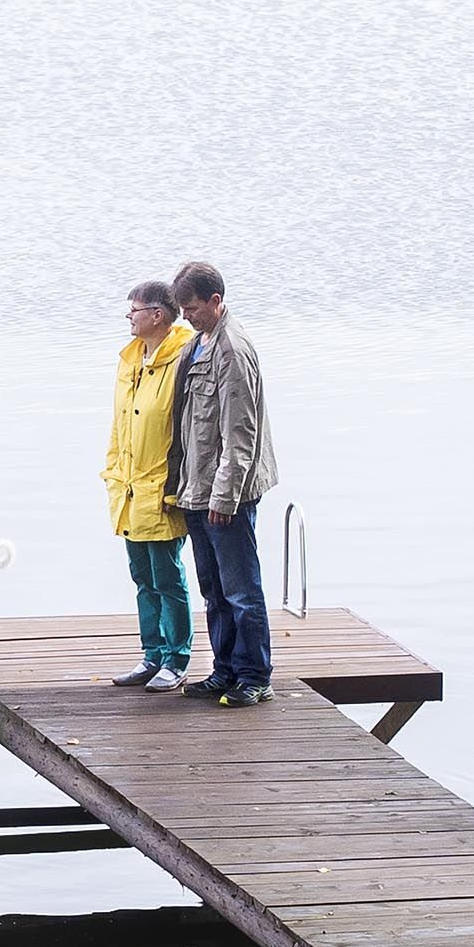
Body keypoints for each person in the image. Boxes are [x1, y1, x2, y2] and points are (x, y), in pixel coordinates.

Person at [171, 256, 276, 705]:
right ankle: (225, 670)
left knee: (241, 591)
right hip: (197, 489)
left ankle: (255, 676)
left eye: (192, 308)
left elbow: (241, 432)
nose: (186, 317)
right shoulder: (199, 343)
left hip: (225, 494)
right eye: (182, 310)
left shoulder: (232, 350)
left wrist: (225, 497)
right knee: (213, 589)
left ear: (215, 300)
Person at [101, 276, 196, 692]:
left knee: (167, 578)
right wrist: (112, 471)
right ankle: (152, 654)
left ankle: (177, 659)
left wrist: (179, 486)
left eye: (134, 310)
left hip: (163, 490)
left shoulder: (184, 357)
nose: (129, 317)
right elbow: (119, 426)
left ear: (158, 315)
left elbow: (190, 431)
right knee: (142, 577)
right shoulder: (129, 360)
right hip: (128, 488)